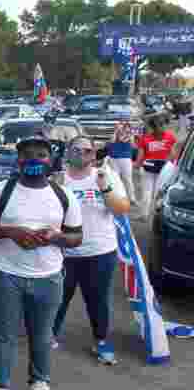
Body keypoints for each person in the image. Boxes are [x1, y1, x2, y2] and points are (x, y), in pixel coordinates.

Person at [0, 134, 83, 390]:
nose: (33, 160)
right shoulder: (0, 191)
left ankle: (39, 384)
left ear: (50, 161)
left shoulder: (64, 195)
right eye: (27, 155)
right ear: (18, 161)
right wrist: (11, 232)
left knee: (43, 336)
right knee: (3, 337)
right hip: (5, 274)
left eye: (41, 155)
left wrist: (54, 238)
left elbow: (77, 237)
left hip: (48, 277)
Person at [52, 137, 130, 363]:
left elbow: (122, 209)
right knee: (57, 299)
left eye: (88, 150)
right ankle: (48, 337)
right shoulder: (57, 179)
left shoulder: (106, 176)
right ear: (68, 152)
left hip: (100, 251)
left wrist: (103, 186)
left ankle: (101, 341)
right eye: (77, 149)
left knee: (98, 300)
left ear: (93, 154)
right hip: (64, 252)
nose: (83, 154)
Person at [135, 114, 177, 219]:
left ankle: (144, 215)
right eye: (163, 125)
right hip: (164, 169)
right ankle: (156, 215)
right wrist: (171, 164)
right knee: (159, 192)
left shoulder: (145, 139)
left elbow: (140, 156)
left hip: (148, 168)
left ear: (151, 127)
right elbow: (173, 154)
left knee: (146, 192)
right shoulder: (170, 137)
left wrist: (137, 165)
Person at [106, 122, 137, 203]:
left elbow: (132, 145)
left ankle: (131, 198)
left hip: (126, 159)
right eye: (116, 127)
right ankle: (117, 196)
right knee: (115, 178)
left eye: (121, 127)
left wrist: (128, 135)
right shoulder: (114, 135)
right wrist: (116, 132)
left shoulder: (130, 136)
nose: (120, 128)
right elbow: (112, 141)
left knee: (128, 179)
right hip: (114, 159)